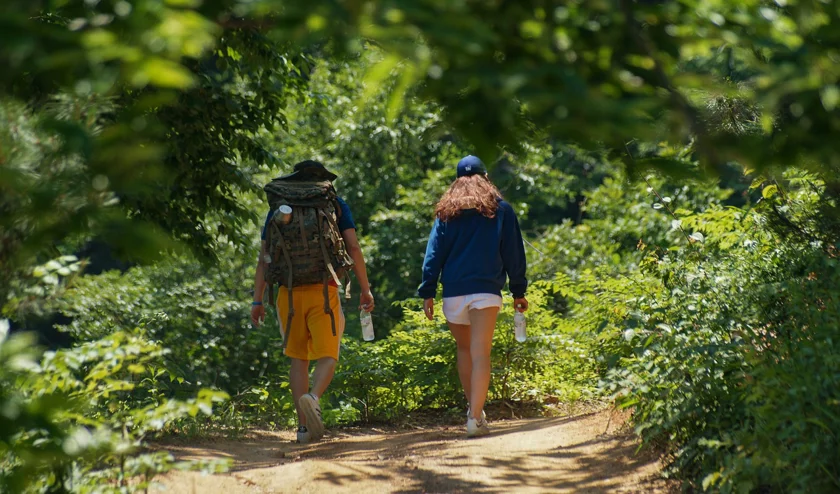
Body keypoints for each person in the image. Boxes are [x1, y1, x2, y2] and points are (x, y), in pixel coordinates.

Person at [250, 160, 375, 443]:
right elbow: (353, 247)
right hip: (324, 289)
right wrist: (365, 290)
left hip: (288, 292)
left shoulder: (279, 207)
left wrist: (257, 300)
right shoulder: (334, 203)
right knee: (328, 354)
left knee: (298, 358)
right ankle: (313, 396)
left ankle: (303, 428)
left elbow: (264, 257)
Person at [418, 155, 528, 437]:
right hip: (485, 292)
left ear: (457, 182)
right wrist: (518, 290)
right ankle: (475, 417)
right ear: (486, 177)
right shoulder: (501, 210)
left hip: (453, 294)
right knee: (481, 354)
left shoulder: (446, 213)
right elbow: (514, 253)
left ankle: (473, 409)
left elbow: (433, 255)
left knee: (464, 350)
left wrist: (427, 291)